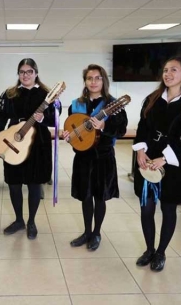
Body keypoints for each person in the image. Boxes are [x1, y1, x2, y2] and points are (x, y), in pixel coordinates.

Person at [133, 56, 181, 271]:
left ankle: (161, 252)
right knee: (146, 209)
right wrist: (140, 151)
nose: (168, 74)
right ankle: (149, 250)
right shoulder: (152, 99)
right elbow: (143, 127)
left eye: (174, 70)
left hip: (171, 164)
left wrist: (164, 158)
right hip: (147, 162)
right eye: (165, 70)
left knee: (168, 208)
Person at [0, 58, 60, 240]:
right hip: (13, 142)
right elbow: (1, 118)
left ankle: (31, 222)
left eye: (29, 71)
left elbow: (55, 120)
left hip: (38, 144)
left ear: (36, 73)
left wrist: (42, 119)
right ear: (18, 74)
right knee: (14, 184)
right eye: (22, 72)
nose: (25, 75)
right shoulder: (10, 94)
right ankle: (19, 220)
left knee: (34, 184)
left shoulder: (47, 94)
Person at [63, 64, 128, 251]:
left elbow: (121, 130)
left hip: (103, 158)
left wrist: (104, 127)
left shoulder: (113, 105)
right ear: (85, 81)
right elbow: (72, 130)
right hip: (83, 158)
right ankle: (86, 232)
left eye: (97, 78)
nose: (93, 81)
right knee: (85, 197)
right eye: (89, 78)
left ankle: (97, 233)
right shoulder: (76, 104)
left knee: (99, 197)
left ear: (103, 81)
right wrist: (69, 137)